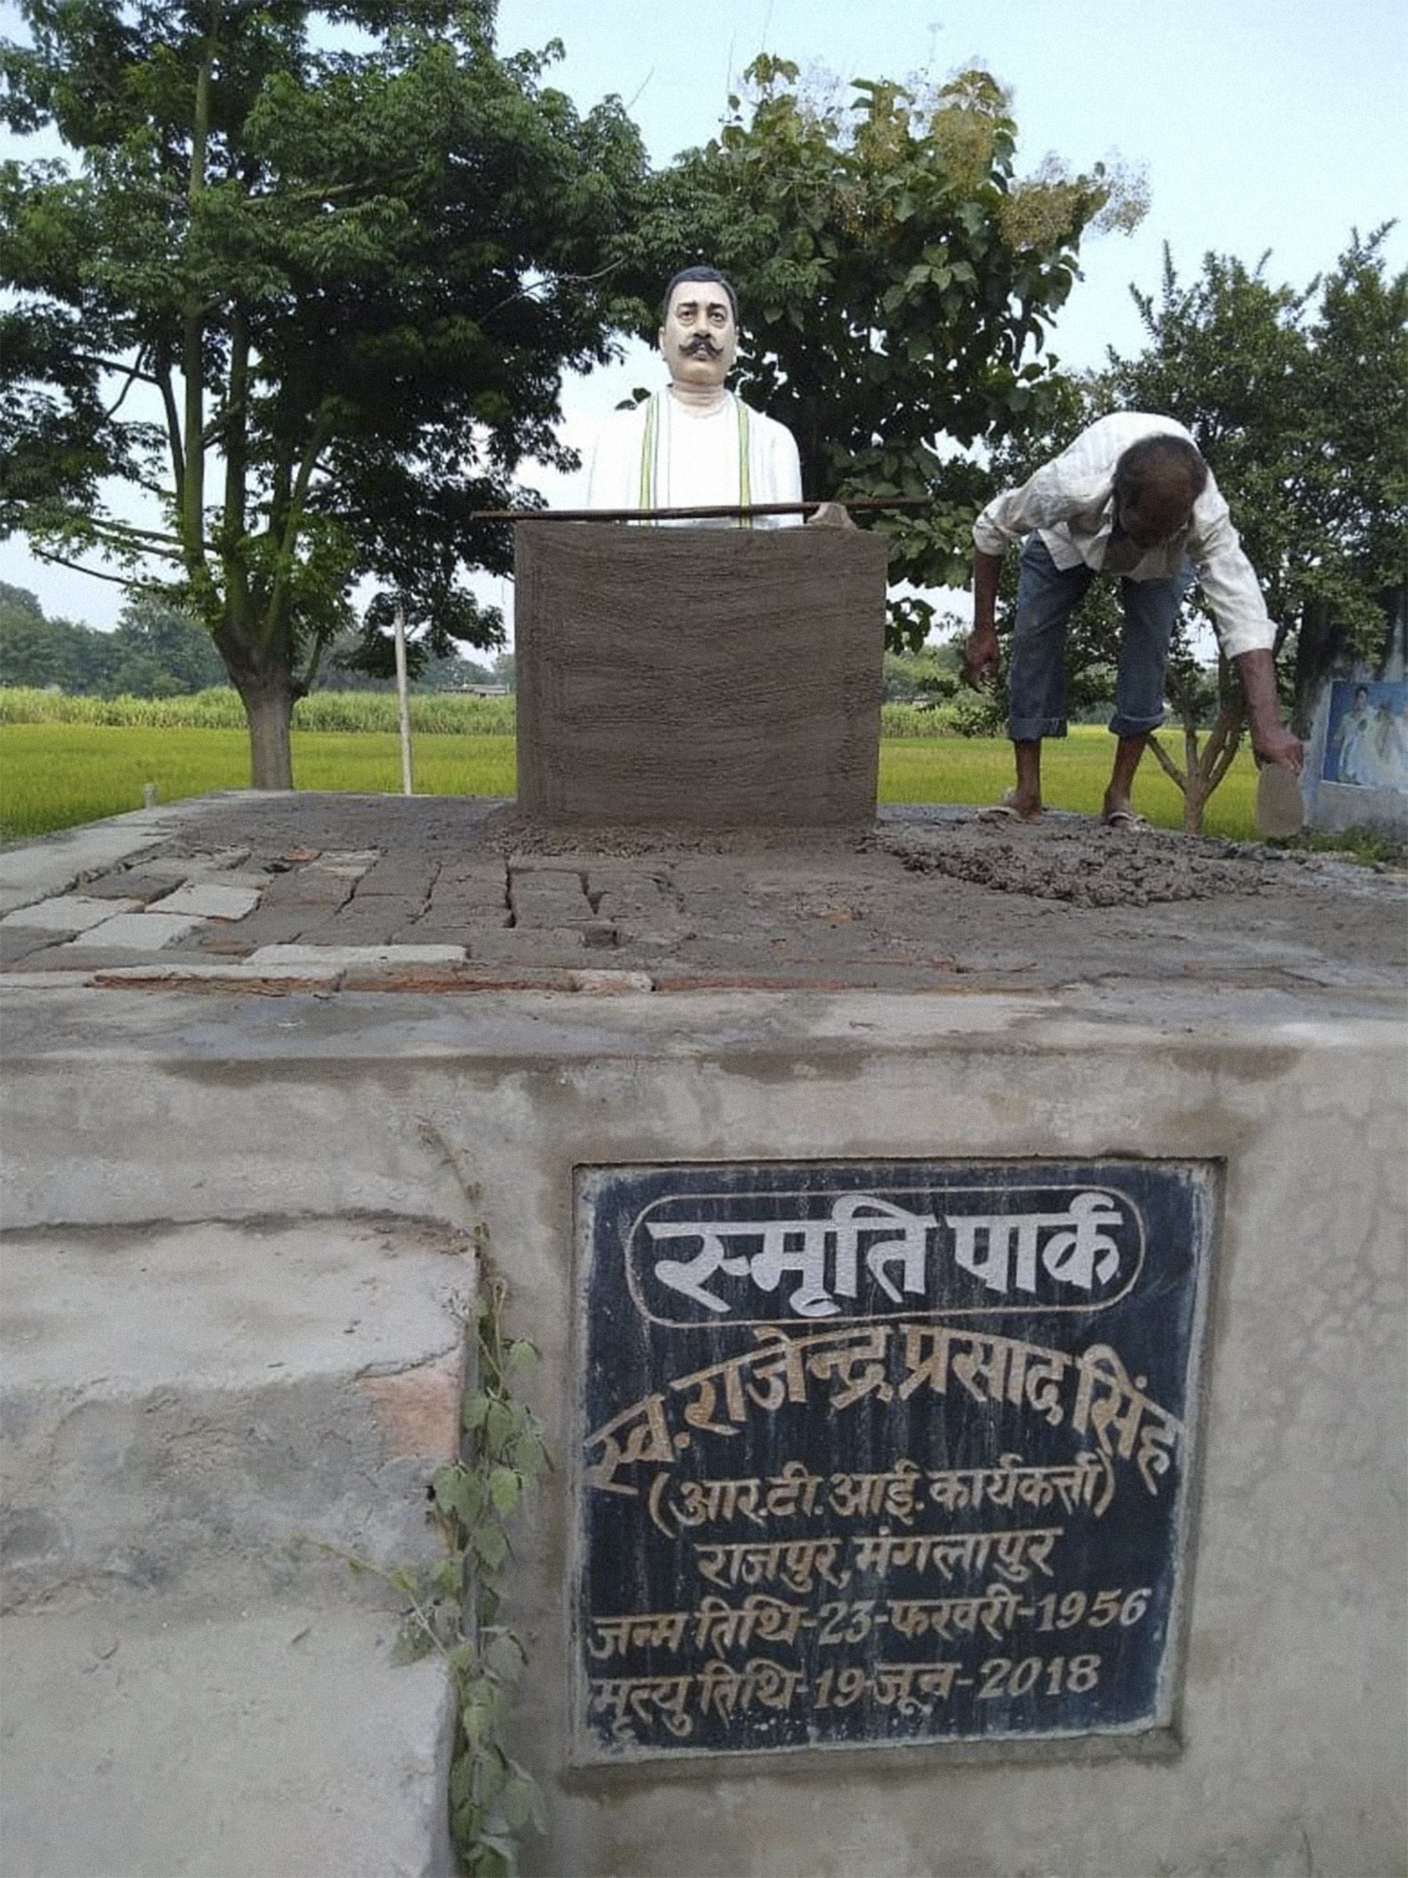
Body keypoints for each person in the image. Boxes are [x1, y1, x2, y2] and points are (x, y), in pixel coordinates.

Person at [962, 412, 1303, 827]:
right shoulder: (1070, 485)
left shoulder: (1204, 517)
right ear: (1120, 498)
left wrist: (1268, 726)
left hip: (1164, 560)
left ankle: (1119, 795)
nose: (1151, 542)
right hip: (1068, 539)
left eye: (1165, 531)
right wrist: (983, 629)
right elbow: (992, 526)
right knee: (1033, 639)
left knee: (1150, 650)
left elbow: (1244, 614)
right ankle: (1026, 793)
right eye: (1144, 530)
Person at [586, 266, 803, 526]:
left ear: (735, 343)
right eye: (687, 314)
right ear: (663, 340)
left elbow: (792, 557)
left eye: (717, 317)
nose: (703, 329)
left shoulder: (773, 442)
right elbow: (596, 552)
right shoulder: (620, 436)